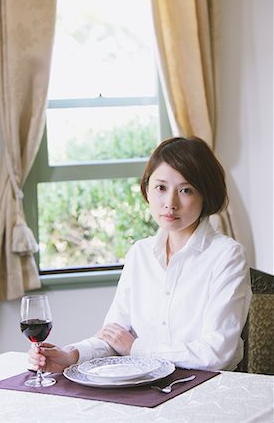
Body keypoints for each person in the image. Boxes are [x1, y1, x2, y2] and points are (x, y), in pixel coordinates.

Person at [28, 136, 252, 373]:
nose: (170, 203)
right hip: (146, 384)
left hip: (209, 390)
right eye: (161, 188)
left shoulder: (228, 256)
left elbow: (216, 354)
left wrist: (137, 347)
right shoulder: (140, 253)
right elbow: (115, 335)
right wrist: (71, 355)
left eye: (186, 190)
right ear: (147, 189)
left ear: (206, 194)